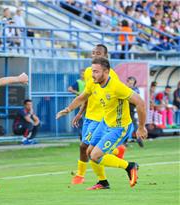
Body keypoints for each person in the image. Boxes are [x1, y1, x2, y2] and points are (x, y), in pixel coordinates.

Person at [57, 57, 147, 190]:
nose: (93, 74)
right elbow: (82, 97)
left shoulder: (117, 87)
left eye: (96, 72)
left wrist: (141, 127)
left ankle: (130, 166)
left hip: (119, 127)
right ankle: (103, 182)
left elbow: (140, 103)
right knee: (89, 151)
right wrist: (68, 109)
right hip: (105, 123)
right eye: (92, 71)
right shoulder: (93, 83)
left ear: (106, 72)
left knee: (95, 155)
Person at [68, 44, 126, 186]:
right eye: (93, 52)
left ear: (105, 56)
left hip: (101, 117)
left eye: (98, 53)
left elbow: (115, 96)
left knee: (85, 147)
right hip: (89, 115)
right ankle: (115, 151)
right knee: (87, 148)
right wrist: (80, 113)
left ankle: (82, 176)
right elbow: (88, 94)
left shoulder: (111, 75)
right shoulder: (89, 71)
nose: (94, 55)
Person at [126, 76, 144, 147]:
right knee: (127, 126)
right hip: (125, 109)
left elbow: (134, 98)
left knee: (135, 125)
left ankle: (139, 139)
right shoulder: (125, 88)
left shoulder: (135, 89)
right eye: (129, 81)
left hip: (131, 109)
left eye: (132, 82)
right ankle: (126, 140)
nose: (131, 83)